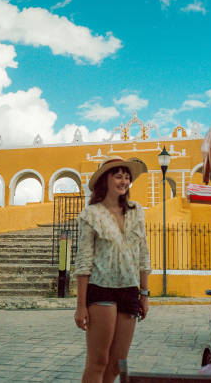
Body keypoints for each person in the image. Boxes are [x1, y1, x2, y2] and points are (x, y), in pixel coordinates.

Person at [73, 156, 151, 383]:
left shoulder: (137, 211)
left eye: (127, 177)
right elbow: (84, 260)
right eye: (118, 176)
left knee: (117, 364)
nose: (124, 181)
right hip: (101, 290)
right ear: (105, 180)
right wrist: (80, 306)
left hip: (129, 290)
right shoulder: (91, 215)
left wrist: (144, 295)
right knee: (98, 361)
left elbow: (144, 254)